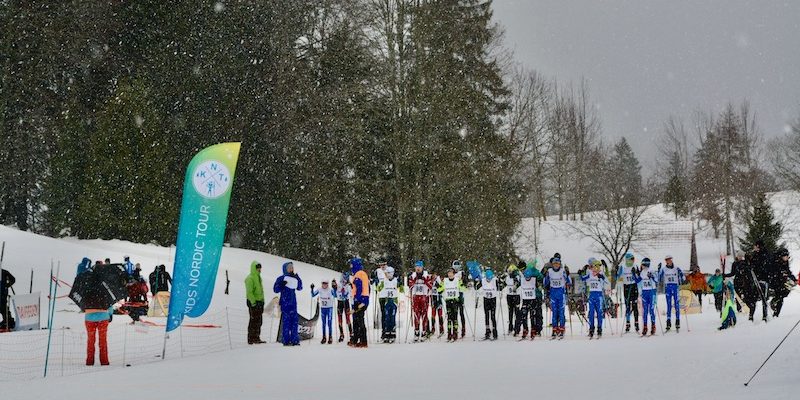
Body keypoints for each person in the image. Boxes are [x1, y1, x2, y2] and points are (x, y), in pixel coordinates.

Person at [726, 250, 767, 321]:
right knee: (743, 299)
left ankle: (751, 314)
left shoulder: (746, 263)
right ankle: (741, 308)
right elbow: (732, 273)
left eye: (742, 256)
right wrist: (725, 275)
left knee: (751, 300)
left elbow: (750, 269)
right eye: (739, 256)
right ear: (737, 256)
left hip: (748, 284)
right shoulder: (735, 264)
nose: (740, 257)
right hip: (738, 283)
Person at [274, 261, 303, 346]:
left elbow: (300, 287)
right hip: (285, 303)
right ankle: (286, 341)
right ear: (285, 269)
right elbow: (275, 289)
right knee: (286, 323)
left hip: (293, 304)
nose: (291, 269)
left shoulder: (294, 278)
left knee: (294, 322)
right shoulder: (281, 278)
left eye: (292, 267)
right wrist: (281, 285)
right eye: (289, 268)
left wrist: (298, 278)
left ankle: (295, 340)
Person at [581, 259, 609, 339]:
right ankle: (591, 329)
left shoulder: (601, 273)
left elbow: (607, 282)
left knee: (599, 313)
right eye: (593, 267)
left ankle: (599, 329)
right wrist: (581, 272)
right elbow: (583, 279)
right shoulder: (589, 274)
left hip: (599, 295)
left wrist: (602, 277)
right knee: (591, 313)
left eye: (597, 267)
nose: (595, 269)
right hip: (591, 295)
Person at [437, 267, 466, 342]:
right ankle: (449, 333)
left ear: (454, 274)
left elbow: (463, 289)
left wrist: (461, 282)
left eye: (451, 273)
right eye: (448, 273)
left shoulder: (457, 280)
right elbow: (439, 290)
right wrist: (439, 285)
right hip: (448, 301)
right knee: (449, 318)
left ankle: (455, 333)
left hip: (455, 301)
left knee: (455, 318)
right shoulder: (445, 281)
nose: (449, 274)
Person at [544, 257, 570, 339]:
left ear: (560, 264)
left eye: (557, 264)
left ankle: (562, 329)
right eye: (554, 264)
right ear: (552, 265)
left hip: (561, 293)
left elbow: (569, 282)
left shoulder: (562, 271)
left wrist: (567, 275)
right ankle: (555, 329)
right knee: (554, 313)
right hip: (553, 294)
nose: (556, 265)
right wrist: (546, 276)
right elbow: (545, 283)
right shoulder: (550, 271)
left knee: (561, 313)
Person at [515, 262, 542, 339]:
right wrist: (515, 286)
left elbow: (538, 283)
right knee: (524, 315)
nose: (527, 278)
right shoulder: (523, 278)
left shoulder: (533, 278)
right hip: (525, 299)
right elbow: (520, 282)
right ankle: (525, 329)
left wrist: (539, 287)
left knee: (532, 315)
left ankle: (533, 329)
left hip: (533, 299)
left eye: (528, 277)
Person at [658, 255, 684, 332]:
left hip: (675, 287)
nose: (668, 261)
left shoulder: (676, 268)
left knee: (676, 305)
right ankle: (668, 322)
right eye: (666, 260)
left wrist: (683, 279)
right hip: (668, 287)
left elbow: (682, 276)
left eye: (669, 260)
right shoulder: (664, 269)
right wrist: (659, 269)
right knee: (669, 305)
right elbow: (659, 278)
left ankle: (677, 321)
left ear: (671, 260)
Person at [408, 261, 433, 342]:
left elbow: (430, 286)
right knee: (416, 315)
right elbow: (410, 285)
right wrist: (415, 279)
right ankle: (416, 332)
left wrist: (424, 280)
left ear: (422, 268)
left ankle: (424, 332)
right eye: (416, 267)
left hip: (424, 297)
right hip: (416, 297)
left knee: (424, 315)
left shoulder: (426, 275)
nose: (418, 268)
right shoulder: (413, 275)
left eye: (419, 267)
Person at [615, 253, 640, 333]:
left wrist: (634, 274)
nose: (633, 261)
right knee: (628, 306)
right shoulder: (623, 267)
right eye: (631, 259)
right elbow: (617, 277)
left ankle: (636, 323)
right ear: (627, 259)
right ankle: (628, 323)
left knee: (635, 305)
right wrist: (616, 272)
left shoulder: (635, 266)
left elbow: (638, 278)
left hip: (634, 287)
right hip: (626, 287)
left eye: (633, 259)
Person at [633, 257, 658, 336]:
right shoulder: (642, 272)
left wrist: (652, 277)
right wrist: (634, 274)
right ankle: (645, 327)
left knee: (651, 310)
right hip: (644, 292)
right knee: (645, 311)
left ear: (645, 264)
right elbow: (637, 281)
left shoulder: (652, 271)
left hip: (652, 292)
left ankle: (653, 326)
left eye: (642, 264)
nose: (641, 266)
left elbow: (657, 280)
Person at [348, 257, 369, 348]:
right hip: (364, 299)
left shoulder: (358, 274)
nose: (351, 267)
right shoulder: (363, 273)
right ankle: (356, 339)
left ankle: (363, 341)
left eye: (351, 265)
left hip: (360, 300)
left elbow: (359, 288)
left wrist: (358, 300)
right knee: (357, 320)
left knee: (359, 321)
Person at [377, 266, 402, 343]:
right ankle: (387, 333)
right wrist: (377, 283)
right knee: (387, 318)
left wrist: (400, 284)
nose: (386, 275)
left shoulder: (395, 280)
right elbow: (378, 289)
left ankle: (393, 334)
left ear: (391, 273)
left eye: (387, 273)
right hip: (387, 301)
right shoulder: (384, 281)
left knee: (392, 318)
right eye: (385, 273)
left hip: (394, 302)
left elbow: (402, 290)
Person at [476, 268, 499, 340]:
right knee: (486, 316)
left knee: (492, 316)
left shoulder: (494, 281)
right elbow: (476, 287)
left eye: (490, 278)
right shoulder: (483, 280)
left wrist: (500, 284)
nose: (489, 279)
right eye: (488, 278)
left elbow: (500, 288)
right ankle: (487, 331)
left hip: (493, 300)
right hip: (486, 299)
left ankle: (495, 332)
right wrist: (476, 282)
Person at [769, 247, 793, 317]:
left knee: (785, 292)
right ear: (782, 256)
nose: (787, 258)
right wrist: (781, 273)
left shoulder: (785, 262)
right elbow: (773, 272)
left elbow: (788, 271)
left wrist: (794, 279)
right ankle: (776, 314)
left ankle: (775, 304)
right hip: (775, 281)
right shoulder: (775, 262)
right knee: (780, 297)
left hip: (782, 281)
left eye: (788, 257)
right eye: (786, 257)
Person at [245, 261, 266, 344]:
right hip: (253, 302)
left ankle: (256, 337)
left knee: (259, 321)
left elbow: (260, 291)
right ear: (254, 268)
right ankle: (251, 338)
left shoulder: (258, 277)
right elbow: (249, 292)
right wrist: (253, 303)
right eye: (258, 268)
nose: (259, 269)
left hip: (259, 302)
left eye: (260, 268)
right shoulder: (250, 278)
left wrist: (262, 301)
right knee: (253, 320)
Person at [311, 280, 335, 344]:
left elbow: (335, 295)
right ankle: (324, 337)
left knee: (329, 323)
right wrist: (312, 288)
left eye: (326, 283)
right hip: (323, 308)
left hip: (329, 308)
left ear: (328, 284)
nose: (324, 285)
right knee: (323, 323)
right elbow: (313, 295)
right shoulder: (319, 289)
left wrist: (334, 288)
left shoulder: (330, 290)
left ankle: (330, 337)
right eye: (323, 283)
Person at [332, 273, 353, 342]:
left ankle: (351, 333)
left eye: (346, 279)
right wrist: (334, 287)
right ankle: (341, 334)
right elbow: (335, 295)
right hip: (340, 302)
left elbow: (350, 294)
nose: (344, 281)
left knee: (348, 319)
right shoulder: (338, 284)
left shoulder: (349, 286)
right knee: (340, 319)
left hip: (346, 302)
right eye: (343, 279)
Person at [504, 264, 521, 335]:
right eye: (509, 271)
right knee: (510, 312)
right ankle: (510, 327)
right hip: (509, 296)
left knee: (517, 312)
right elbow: (504, 283)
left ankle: (517, 329)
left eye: (511, 271)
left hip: (516, 296)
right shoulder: (507, 277)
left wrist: (516, 283)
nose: (509, 272)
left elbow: (519, 283)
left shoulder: (517, 276)